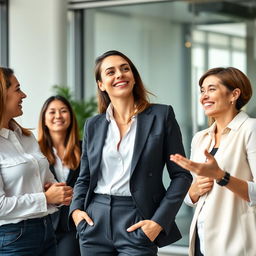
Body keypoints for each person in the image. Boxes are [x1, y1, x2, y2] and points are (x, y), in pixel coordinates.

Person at [69, 50, 192, 256]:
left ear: (133, 78)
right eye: (111, 72)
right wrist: (75, 212)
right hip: (94, 220)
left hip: (137, 218)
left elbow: (181, 175)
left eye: (125, 69)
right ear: (101, 84)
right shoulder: (94, 125)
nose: (119, 74)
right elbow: (85, 176)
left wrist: (158, 222)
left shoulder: (161, 116)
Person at [170, 67, 256, 256]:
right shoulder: (200, 138)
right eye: (202, 90)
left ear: (234, 94)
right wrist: (192, 191)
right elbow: (192, 195)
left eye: (211, 89)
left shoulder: (251, 129)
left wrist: (221, 176)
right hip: (201, 242)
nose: (204, 96)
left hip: (236, 244)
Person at [0, 67, 73, 255]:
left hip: (46, 231)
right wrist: (46, 198)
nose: (23, 95)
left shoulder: (27, 137)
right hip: (13, 238)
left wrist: (59, 192)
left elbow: (48, 181)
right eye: (17, 89)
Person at [38, 95, 81, 256]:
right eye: (52, 112)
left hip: (72, 226)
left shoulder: (85, 149)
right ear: (44, 118)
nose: (58, 116)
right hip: (42, 225)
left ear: (70, 116)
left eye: (63, 111)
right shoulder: (33, 152)